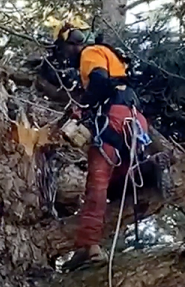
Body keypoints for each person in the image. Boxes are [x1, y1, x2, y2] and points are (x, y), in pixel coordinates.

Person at [51, 19, 171, 271]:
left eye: (64, 49)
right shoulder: (111, 58)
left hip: (114, 118)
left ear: (71, 42)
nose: (66, 56)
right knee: (117, 184)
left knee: (97, 183)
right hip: (134, 121)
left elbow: (99, 80)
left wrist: (82, 108)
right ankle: (146, 169)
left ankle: (89, 247)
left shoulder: (90, 52)